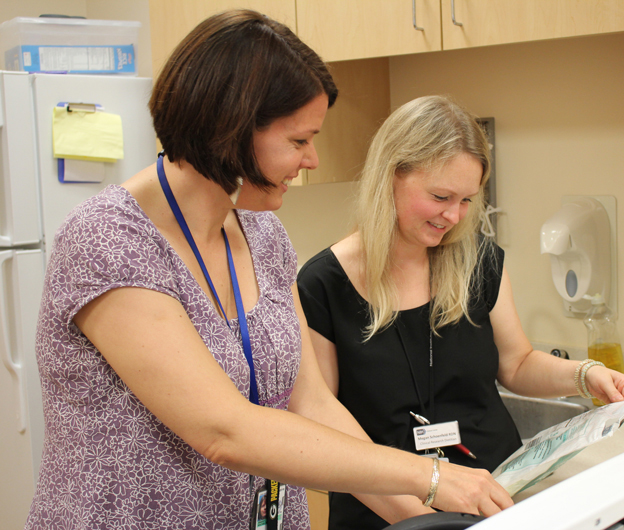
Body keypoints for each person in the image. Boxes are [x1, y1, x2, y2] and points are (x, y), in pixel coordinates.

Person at [25, 13, 513, 530]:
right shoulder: (109, 243)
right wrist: (429, 476)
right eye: (299, 141)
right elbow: (224, 431)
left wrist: (423, 521)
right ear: (231, 131)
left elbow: (310, 403)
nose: (313, 160)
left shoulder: (262, 234)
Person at [297, 95, 624, 529]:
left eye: (467, 200)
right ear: (391, 176)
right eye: (440, 196)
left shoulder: (477, 261)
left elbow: (517, 364)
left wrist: (583, 376)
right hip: (388, 514)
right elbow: (328, 432)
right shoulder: (323, 286)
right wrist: (423, 521)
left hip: (496, 498)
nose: (453, 216)